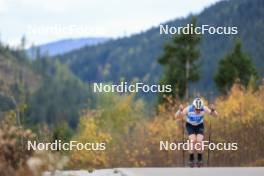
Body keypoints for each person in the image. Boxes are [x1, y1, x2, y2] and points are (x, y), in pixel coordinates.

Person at [175, 97, 218, 167]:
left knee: (199, 141)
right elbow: (177, 116)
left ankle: (199, 158)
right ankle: (191, 158)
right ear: (193, 106)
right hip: (190, 126)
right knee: (192, 140)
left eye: (199, 109)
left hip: (199, 126)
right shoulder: (188, 109)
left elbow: (216, 115)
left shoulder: (204, 108)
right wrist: (179, 110)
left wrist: (213, 110)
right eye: (196, 109)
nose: (198, 111)